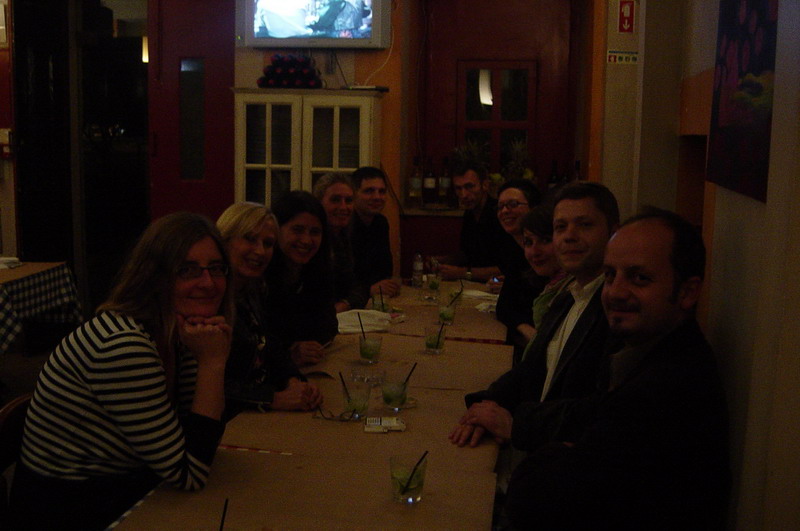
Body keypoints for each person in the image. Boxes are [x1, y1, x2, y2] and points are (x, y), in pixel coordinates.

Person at [505, 208, 730, 530]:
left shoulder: (664, 387)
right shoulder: (650, 352)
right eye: (610, 275)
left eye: (639, 278)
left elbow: (534, 501)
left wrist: (552, 454)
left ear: (687, 292)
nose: (616, 292)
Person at [9, 213, 234, 531]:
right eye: (187, 270)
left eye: (216, 268)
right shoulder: (124, 346)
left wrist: (207, 360)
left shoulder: (176, 329)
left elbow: (198, 437)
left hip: (119, 485)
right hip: (68, 510)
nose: (209, 283)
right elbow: (190, 472)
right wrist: (213, 364)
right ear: (154, 277)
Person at [450, 181, 620, 448]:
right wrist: (486, 405)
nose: (569, 236)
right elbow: (532, 367)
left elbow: (605, 409)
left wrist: (517, 425)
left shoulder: (618, 309)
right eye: (560, 227)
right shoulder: (566, 294)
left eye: (585, 225)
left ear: (613, 233)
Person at [217, 203, 323, 415]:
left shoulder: (252, 290)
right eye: (250, 239)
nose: (260, 251)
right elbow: (205, 383)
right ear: (225, 240)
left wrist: (293, 381)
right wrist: (272, 398)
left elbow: (270, 348)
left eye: (268, 244)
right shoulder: (208, 297)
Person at [264, 191, 338, 366]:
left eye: (315, 232)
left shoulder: (318, 272)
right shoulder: (261, 276)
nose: (306, 240)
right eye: (297, 230)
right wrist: (288, 352)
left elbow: (328, 328)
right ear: (277, 230)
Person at [494, 178, 546, 354]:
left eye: (513, 204)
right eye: (500, 207)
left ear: (535, 208)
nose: (504, 211)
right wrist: (524, 328)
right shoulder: (514, 250)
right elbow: (504, 306)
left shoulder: (546, 255)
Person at [436, 160, 506, 282]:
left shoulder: (501, 215)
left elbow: (508, 268)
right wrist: (444, 261)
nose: (463, 195)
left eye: (469, 187)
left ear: (485, 185)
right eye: (458, 188)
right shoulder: (470, 214)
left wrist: (462, 273)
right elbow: (469, 253)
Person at [519, 203, 571, 361]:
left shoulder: (572, 290)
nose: (535, 251)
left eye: (545, 240)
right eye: (529, 242)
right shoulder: (552, 284)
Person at [313, 173, 368, 312]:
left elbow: (360, 286)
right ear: (319, 202)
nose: (343, 207)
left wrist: (344, 305)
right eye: (335, 200)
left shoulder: (345, 237)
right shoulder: (312, 241)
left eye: (348, 201)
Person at [349, 166, 400, 299]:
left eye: (382, 191)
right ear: (354, 194)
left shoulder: (381, 223)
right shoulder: (344, 225)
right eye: (369, 191)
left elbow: (385, 270)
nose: (377, 197)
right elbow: (340, 280)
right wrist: (369, 289)